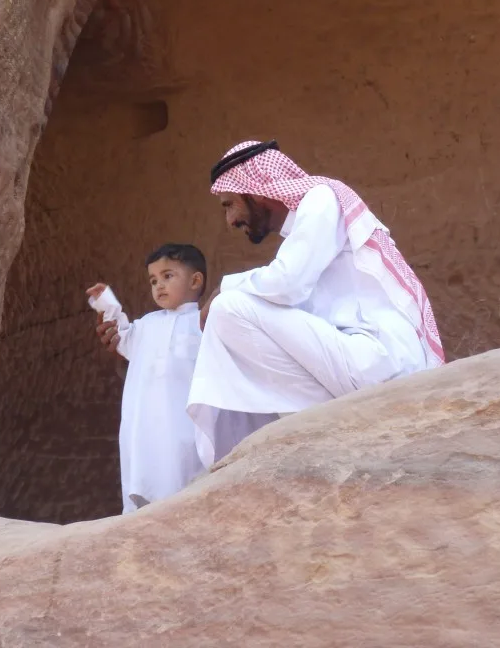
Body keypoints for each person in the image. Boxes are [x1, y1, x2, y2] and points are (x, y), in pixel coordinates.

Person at [186, 140, 445, 467]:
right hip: (358, 363)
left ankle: (306, 427)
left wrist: (225, 287)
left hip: (381, 361)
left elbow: (287, 283)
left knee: (229, 309)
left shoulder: (322, 199)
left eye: (229, 204)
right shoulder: (308, 224)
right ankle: (304, 430)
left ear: (256, 193)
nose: (230, 220)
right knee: (238, 317)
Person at [87, 243, 208, 513]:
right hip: (145, 423)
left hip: (184, 421)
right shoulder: (146, 324)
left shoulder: (203, 323)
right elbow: (122, 338)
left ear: (195, 281)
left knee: (184, 478)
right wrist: (108, 304)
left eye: (168, 276)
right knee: (144, 473)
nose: (159, 286)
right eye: (153, 280)